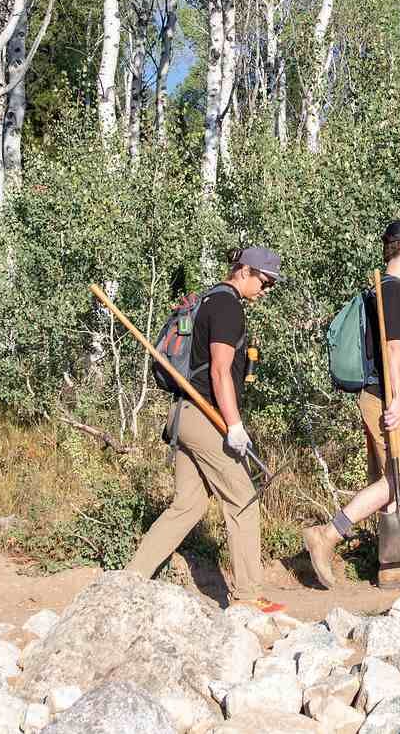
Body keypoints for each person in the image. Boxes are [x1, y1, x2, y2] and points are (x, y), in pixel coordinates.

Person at [125, 247, 287, 613]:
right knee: (243, 498)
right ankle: (248, 597)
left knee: (188, 505)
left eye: (272, 284)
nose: (266, 290)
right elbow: (219, 371)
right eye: (265, 281)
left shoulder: (209, 299)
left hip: (183, 415)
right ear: (244, 271)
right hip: (205, 417)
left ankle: (130, 579)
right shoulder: (228, 306)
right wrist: (234, 426)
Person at [304, 218, 400, 590]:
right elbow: (392, 347)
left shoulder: (382, 290)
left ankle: (393, 565)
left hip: (379, 393)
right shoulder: (394, 291)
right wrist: (398, 397)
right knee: (399, 478)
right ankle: (328, 534)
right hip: (386, 394)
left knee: (394, 478)